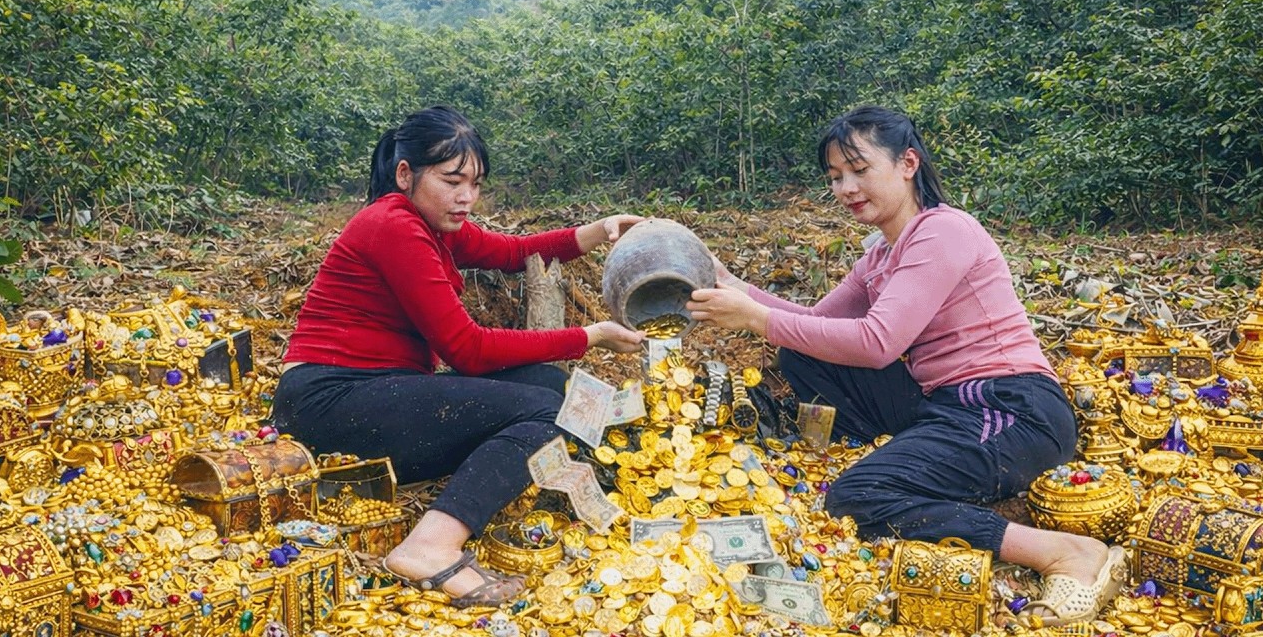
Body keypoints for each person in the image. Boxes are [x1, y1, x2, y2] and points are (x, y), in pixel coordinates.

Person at [686, 105, 1126, 627]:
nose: (846, 187)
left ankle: (1067, 554)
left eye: (859, 169)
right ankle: (903, 452)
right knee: (803, 351)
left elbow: (876, 344)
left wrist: (754, 318)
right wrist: (735, 287)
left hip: (1010, 409)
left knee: (858, 497)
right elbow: (814, 323)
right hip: (942, 403)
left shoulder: (943, 232)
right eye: (834, 177)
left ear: (908, 163)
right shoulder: (878, 256)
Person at [273, 105, 646, 608]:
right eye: (452, 181)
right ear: (406, 174)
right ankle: (430, 546)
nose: (466, 197)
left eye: (475, 183)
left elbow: (514, 253)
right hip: (330, 400)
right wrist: (590, 335)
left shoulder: (434, 223)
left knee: (547, 384)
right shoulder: (393, 225)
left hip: (375, 390)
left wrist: (602, 230)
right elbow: (467, 351)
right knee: (547, 411)